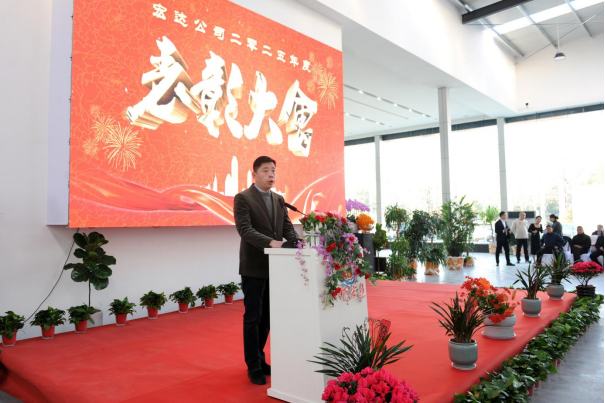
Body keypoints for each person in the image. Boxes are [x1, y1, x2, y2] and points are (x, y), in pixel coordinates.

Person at [234, 156, 299, 386]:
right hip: (254, 267)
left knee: (268, 318)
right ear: (254, 175)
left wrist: (297, 243)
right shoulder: (243, 198)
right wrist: (272, 243)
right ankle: (253, 366)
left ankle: (260, 359)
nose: (271, 174)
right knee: (253, 317)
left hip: (276, 267)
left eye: (273, 170)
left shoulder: (279, 199)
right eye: (265, 171)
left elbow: (287, 227)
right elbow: (245, 229)